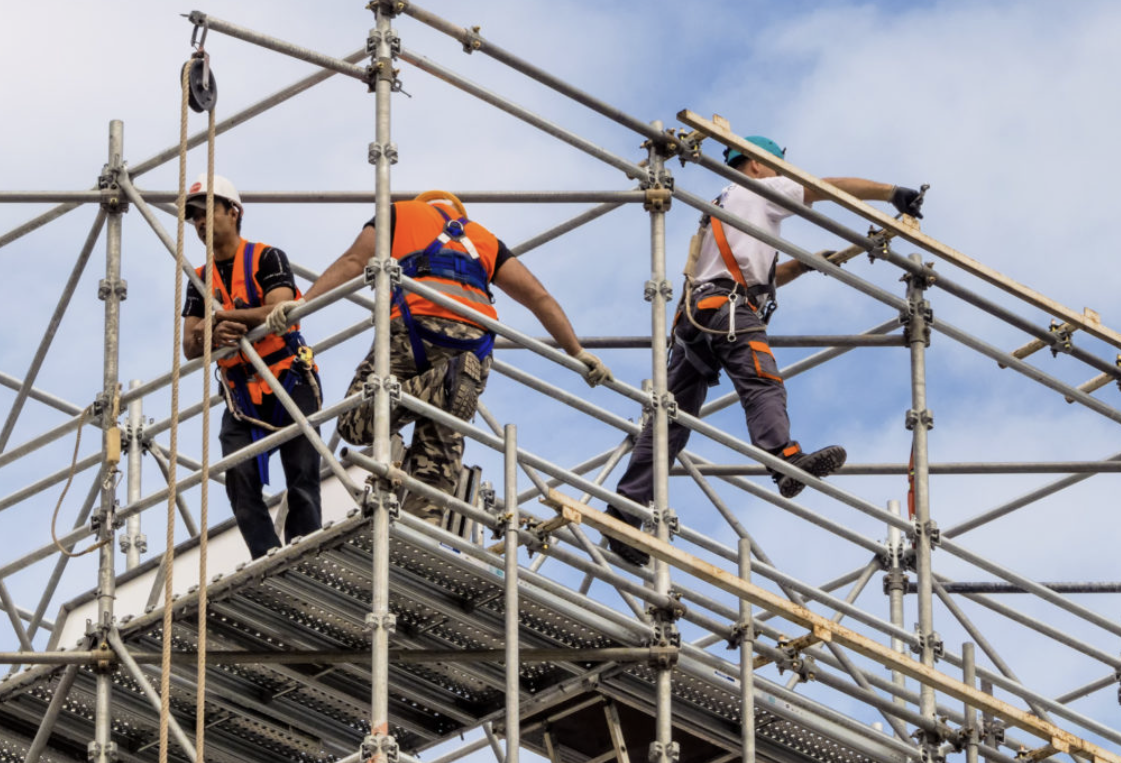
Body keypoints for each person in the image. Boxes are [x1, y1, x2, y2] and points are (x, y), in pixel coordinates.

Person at [602, 136, 927, 566]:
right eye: (775, 165)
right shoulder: (760, 190)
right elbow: (825, 187)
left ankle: (624, 512)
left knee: (670, 423)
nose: (781, 174)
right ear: (754, 164)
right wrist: (891, 194)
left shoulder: (723, 203)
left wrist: (801, 264)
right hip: (728, 312)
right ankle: (783, 458)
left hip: (697, 319)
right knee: (761, 381)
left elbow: (748, 276)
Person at [268, 190, 610, 525]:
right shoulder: (485, 239)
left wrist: (304, 303)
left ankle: (445, 382)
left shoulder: (399, 214)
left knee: (353, 421)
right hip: (474, 348)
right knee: (439, 454)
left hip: (415, 330)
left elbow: (354, 261)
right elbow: (539, 297)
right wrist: (577, 353)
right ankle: (423, 532)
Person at [181, 174, 323, 559]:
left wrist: (228, 317)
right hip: (241, 391)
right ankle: (267, 557)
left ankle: (304, 555)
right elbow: (189, 346)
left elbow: (281, 309)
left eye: (206, 212)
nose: (199, 222)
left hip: (287, 377)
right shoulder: (199, 279)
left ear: (233, 211)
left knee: (302, 476)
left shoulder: (267, 257)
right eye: (193, 217)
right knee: (240, 480)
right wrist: (212, 331)